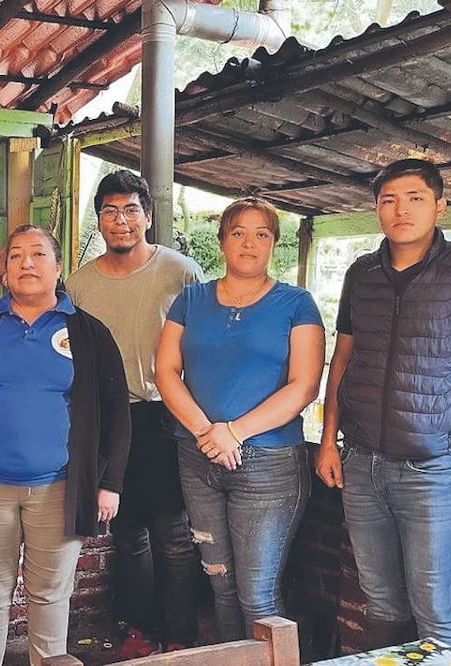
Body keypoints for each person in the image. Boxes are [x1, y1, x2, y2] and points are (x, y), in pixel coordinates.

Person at [315, 159, 451, 648]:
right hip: (361, 463)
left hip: (431, 469)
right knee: (380, 600)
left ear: (439, 206)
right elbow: (343, 357)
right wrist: (328, 440)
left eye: (414, 198)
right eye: (388, 200)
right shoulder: (361, 274)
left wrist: (444, 415)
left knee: (433, 603)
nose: (400, 210)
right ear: (377, 210)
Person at [0, 224, 131, 666]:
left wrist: (110, 482)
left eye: (38, 254)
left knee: (50, 594)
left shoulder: (89, 333)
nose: (26, 263)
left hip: (59, 488)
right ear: (3, 271)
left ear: (59, 268)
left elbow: (118, 411)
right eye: (16, 255)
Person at [155, 197, 325, 641]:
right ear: (222, 241)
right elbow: (165, 371)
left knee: (258, 595)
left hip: (267, 465)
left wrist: (233, 432)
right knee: (221, 585)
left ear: (274, 244)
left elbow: (304, 386)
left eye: (262, 234)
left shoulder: (297, 303)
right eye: (238, 233)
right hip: (197, 458)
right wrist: (206, 434)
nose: (249, 243)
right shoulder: (190, 299)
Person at [65, 170, 202, 657]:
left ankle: (181, 635)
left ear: (148, 215)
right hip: (108, 419)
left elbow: (201, 344)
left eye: (130, 210)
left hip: (165, 416)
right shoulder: (78, 285)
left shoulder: (180, 271)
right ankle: (138, 632)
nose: (120, 221)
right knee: (127, 535)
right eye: (109, 211)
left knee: (172, 533)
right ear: (98, 220)